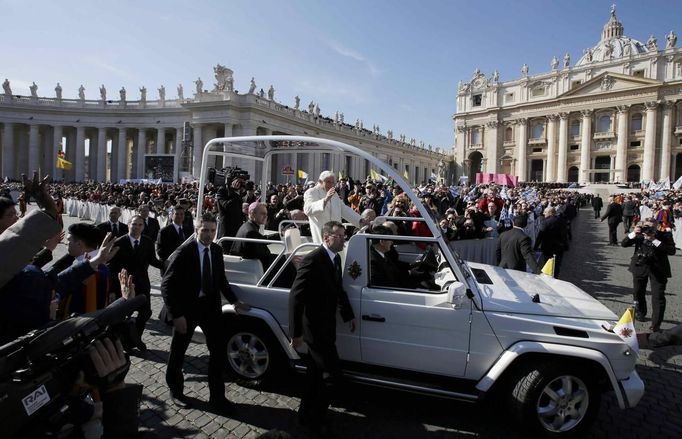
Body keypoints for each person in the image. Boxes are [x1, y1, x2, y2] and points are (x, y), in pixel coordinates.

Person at [162, 213, 250, 412]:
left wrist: (235, 301)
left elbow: (221, 280)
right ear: (196, 230)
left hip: (210, 308)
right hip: (186, 310)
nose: (209, 235)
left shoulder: (217, 250)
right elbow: (167, 285)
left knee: (218, 351)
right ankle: (176, 392)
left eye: (212, 231)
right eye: (205, 230)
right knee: (178, 352)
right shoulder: (184, 252)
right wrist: (176, 315)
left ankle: (217, 397)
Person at [289, 221, 356, 434]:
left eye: (344, 236)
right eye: (339, 236)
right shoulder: (313, 260)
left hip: (328, 326)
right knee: (331, 376)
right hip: (314, 329)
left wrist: (348, 314)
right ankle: (316, 420)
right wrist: (296, 333)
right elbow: (296, 297)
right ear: (327, 238)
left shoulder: (335, 259)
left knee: (315, 375)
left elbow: (338, 289)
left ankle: (305, 415)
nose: (343, 239)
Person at [108, 215, 163, 351]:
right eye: (134, 224)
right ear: (128, 225)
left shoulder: (148, 242)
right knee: (122, 316)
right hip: (124, 286)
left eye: (140, 225)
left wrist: (168, 265)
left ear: (143, 227)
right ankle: (121, 341)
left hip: (143, 284)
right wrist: (112, 291)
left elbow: (153, 260)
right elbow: (112, 267)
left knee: (146, 313)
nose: (137, 227)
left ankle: (134, 339)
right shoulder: (119, 242)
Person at [621, 219, 676, 332]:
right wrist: (633, 233)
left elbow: (671, 251)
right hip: (640, 266)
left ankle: (656, 324)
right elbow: (624, 244)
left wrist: (654, 240)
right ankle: (640, 313)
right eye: (646, 227)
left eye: (651, 227)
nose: (648, 229)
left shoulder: (665, 235)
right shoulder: (639, 235)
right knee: (638, 292)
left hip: (658, 269)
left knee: (658, 297)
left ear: (656, 227)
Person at [304, 171, 360, 244]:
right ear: (320, 182)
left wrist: (360, 221)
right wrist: (325, 200)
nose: (331, 185)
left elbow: (344, 210)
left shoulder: (334, 194)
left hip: (336, 236)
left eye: (332, 182)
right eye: (328, 182)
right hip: (322, 236)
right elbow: (308, 209)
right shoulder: (311, 192)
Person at [156, 205, 192, 272]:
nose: (179, 216)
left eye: (181, 214)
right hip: (170, 266)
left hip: (185, 266)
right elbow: (160, 250)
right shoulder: (164, 231)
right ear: (172, 215)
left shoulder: (188, 230)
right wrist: (169, 261)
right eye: (177, 214)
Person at [534, 206, 567, 278]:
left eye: (545, 212)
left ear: (550, 213)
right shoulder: (562, 221)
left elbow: (540, 236)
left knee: (547, 265)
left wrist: (535, 247)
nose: (543, 213)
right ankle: (555, 277)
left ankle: (548, 279)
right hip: (559, 247)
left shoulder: (545, 222)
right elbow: (565, 234)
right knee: (557, 265)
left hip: (548, 248)